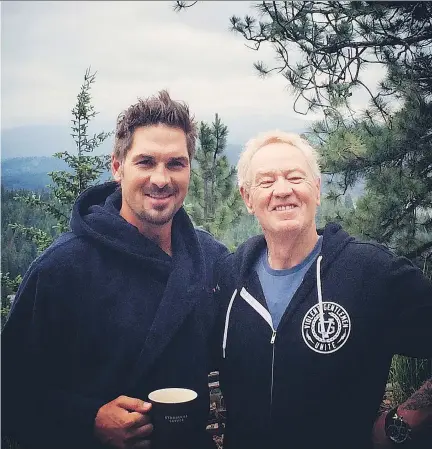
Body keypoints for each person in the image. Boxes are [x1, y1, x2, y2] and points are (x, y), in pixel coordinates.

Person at [2, 90, 228, 449]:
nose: (161, 178)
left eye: (175, 163)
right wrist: (87, 420)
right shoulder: (61, 269)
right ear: (118, 167)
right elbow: (10, 393)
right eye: (145, 162)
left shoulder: (212, 261)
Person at [213, 130, 432, 449]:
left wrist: (404, 421)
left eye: (295, 177)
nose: (282, 190)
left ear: (316, 190)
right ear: (248, 199)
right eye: (267, 181)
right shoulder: (230, 277)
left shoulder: (371, 271)